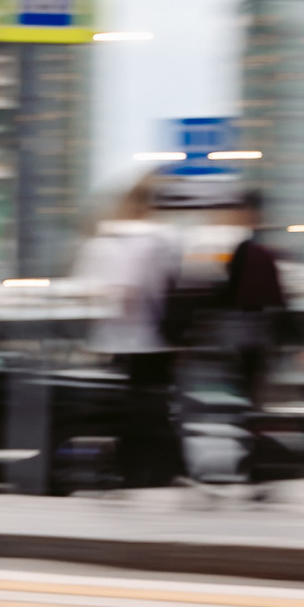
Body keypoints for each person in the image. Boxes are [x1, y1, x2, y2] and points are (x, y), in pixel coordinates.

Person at [72, 176, 183, 488]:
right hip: (154, 341)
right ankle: (159, 469)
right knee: (152, 408)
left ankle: (136, 470)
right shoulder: (159, 241)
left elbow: (112, 292)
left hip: (125, 339)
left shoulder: (115, 242)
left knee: (131, 408)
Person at [213, 189, 291, 409]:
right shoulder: (261, 249)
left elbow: (231, 293)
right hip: (258, 334)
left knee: (243, 390)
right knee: (251, 390)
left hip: (246, 334)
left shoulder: (249, 250)